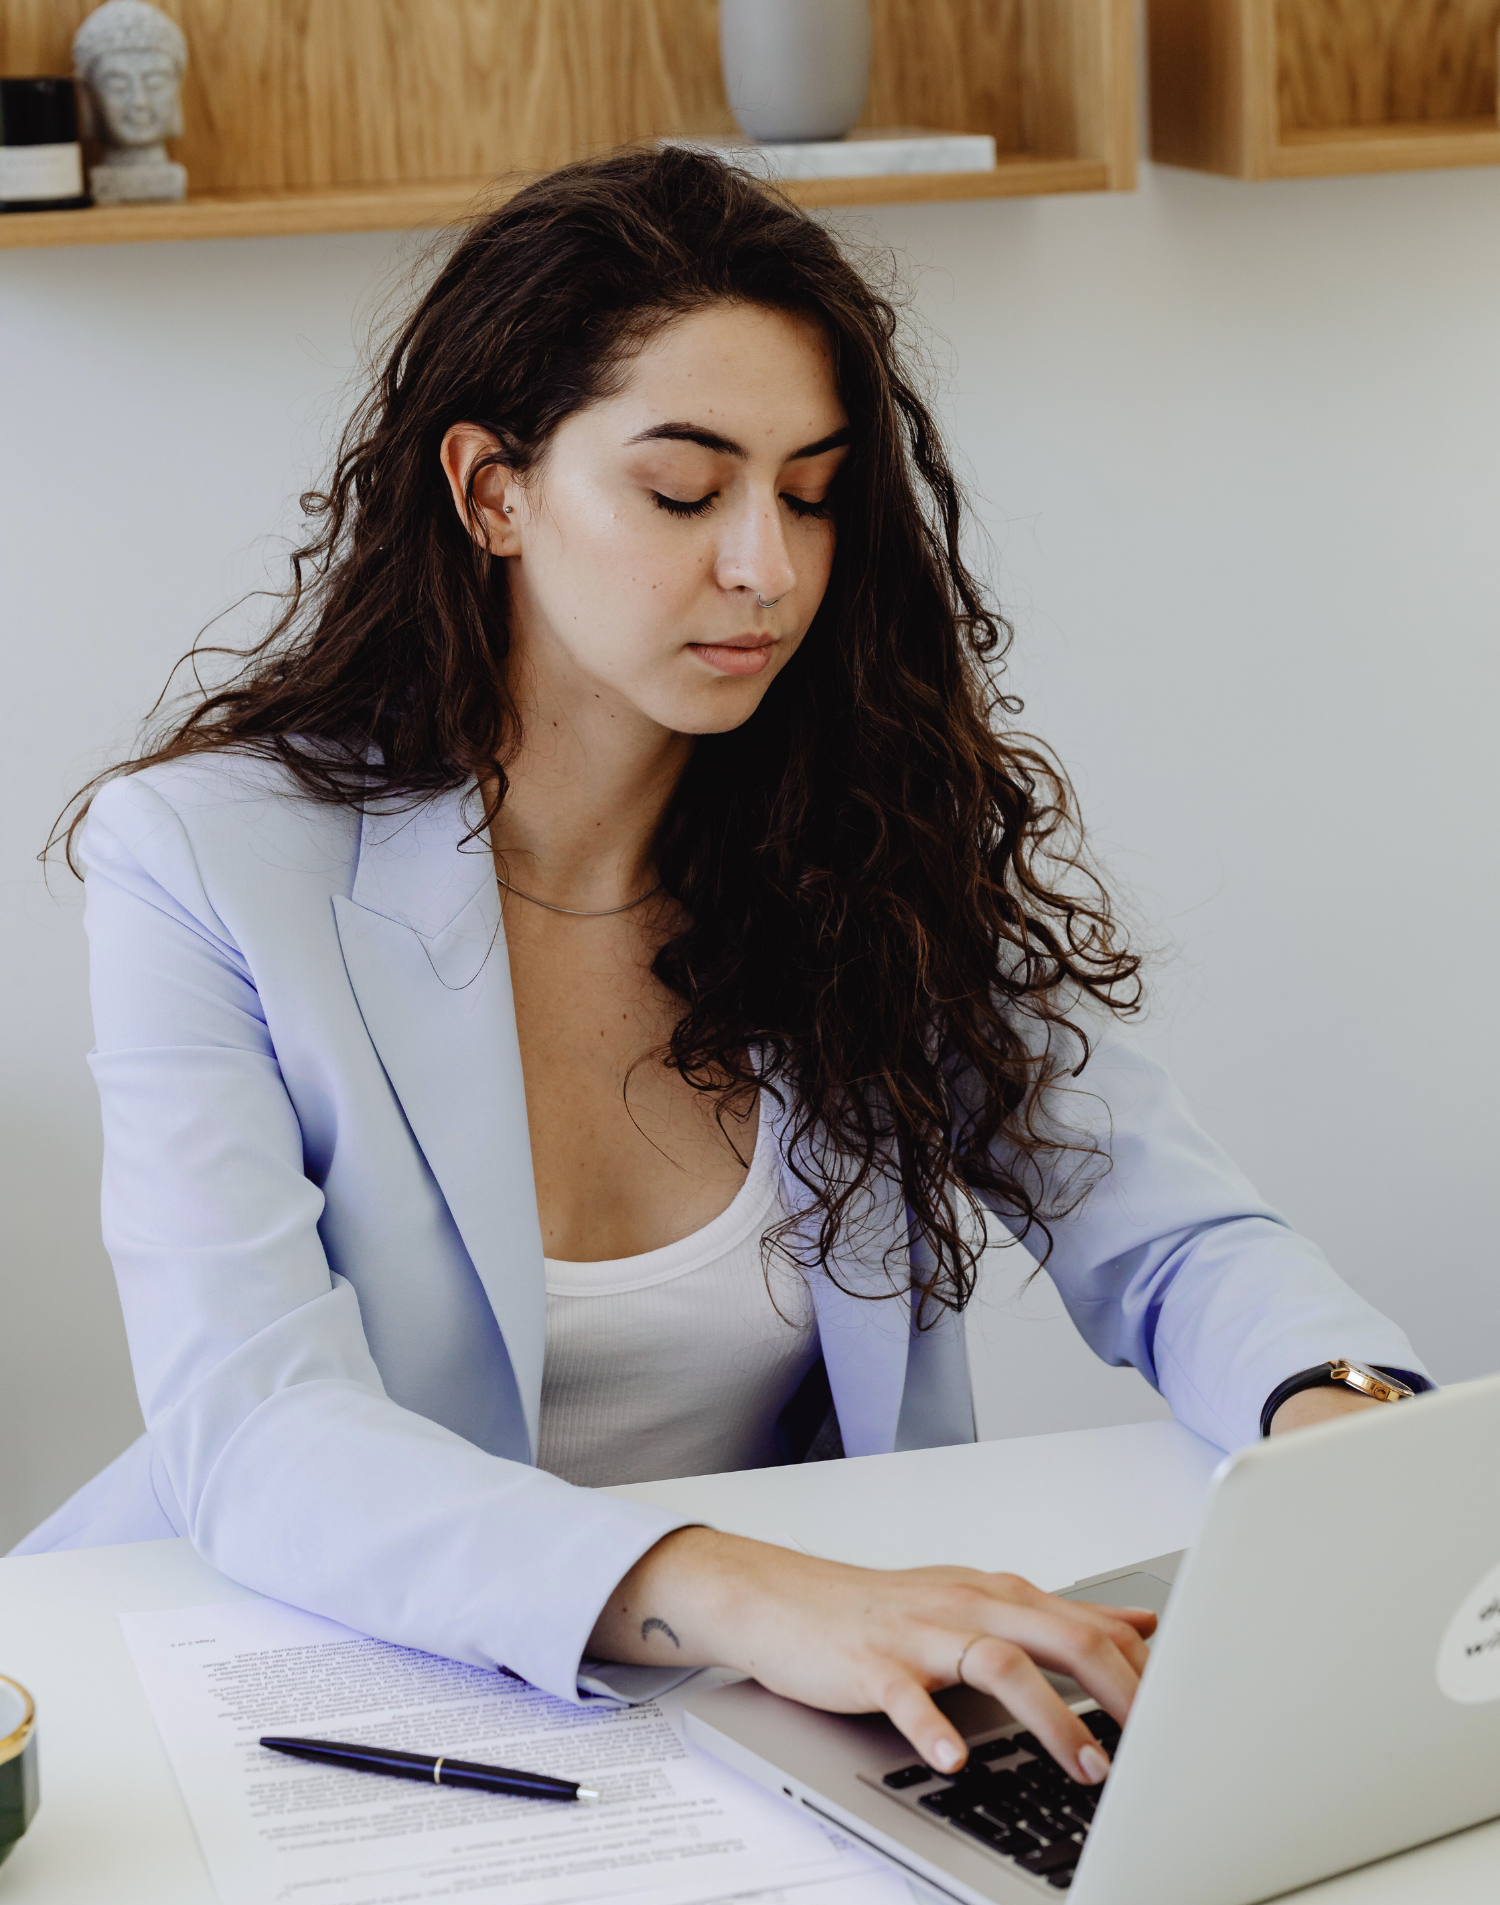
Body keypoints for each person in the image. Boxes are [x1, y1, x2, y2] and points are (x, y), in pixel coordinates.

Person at [22, 150, 1428, 1793]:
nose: (765, 565)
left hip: (778, 1721)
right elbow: (257, 1431)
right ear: (492, 491)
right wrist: (739, 1590)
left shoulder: (861, 835)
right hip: (325, 1700)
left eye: (813, 492)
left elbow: (1171, 1233)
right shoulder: (204, 858)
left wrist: (1342, 1429)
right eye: (685, 492)